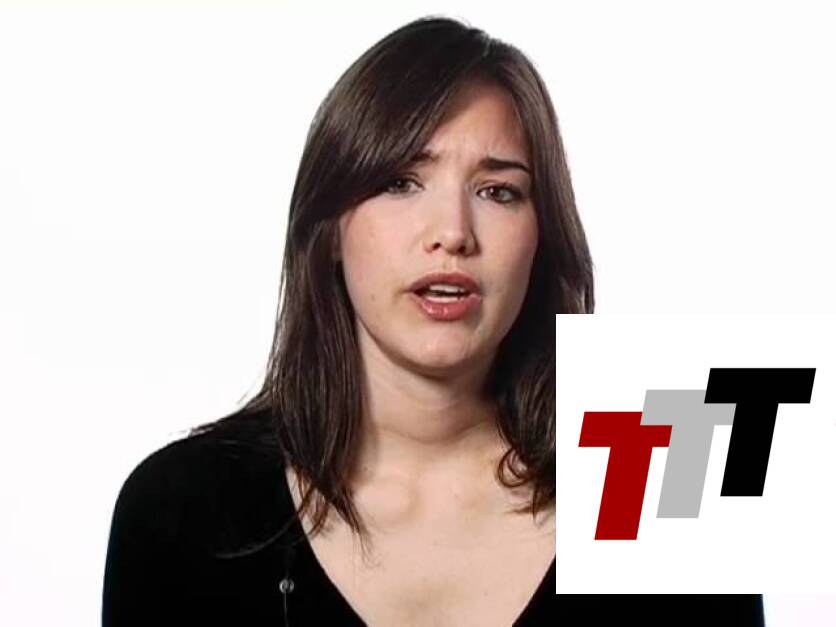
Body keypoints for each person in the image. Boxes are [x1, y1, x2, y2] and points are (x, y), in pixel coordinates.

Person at [101, 15, 764, 626]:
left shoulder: (674, 483)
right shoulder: (182, 511)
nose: (452, 232)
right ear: (329, 229)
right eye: (400, 182)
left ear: (543, 236)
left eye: (498, 191)